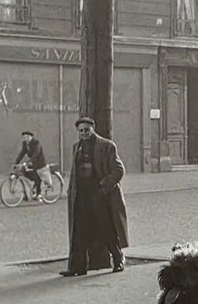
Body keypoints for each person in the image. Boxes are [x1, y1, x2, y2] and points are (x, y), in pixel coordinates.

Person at [60, 117, 130, 277]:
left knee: (106, 229)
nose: (84, 133)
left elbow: (119, 170)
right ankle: (78, 267)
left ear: (93, 129)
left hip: (100, 196)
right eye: (81, 131)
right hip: (82, 196)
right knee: (80, 232)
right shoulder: (76, 147)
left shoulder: (106, 146)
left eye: (87, 130)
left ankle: (118, 259)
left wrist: (104, 186)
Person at [14, 130, 47, 200]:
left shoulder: (36, 143)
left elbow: (36, 154)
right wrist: (16, 161)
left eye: (27, 137)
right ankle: (31, 190)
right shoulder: (25, 144)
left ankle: (39, 194)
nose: (26, 139)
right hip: (31, 162)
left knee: (37, 177)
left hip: (39, 163)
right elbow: (22, 153)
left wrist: (28, 162)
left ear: (31, 137)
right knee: (25, 173)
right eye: (25, 137)